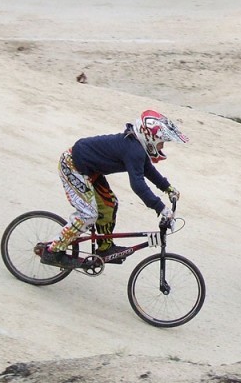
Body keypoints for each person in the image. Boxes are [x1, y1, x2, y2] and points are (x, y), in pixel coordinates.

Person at [40, 110, 188, 268]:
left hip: (90, 171)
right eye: (161, 142)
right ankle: (53, 251)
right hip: (72, 166)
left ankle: (104, 248)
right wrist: (161, 208)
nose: (162, 146)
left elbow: (147, 170)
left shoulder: (137, 147)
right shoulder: (134, 150)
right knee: (88, 215)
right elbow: (138, 185)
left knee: (110, 204)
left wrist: (168, 188)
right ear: (150, 138)